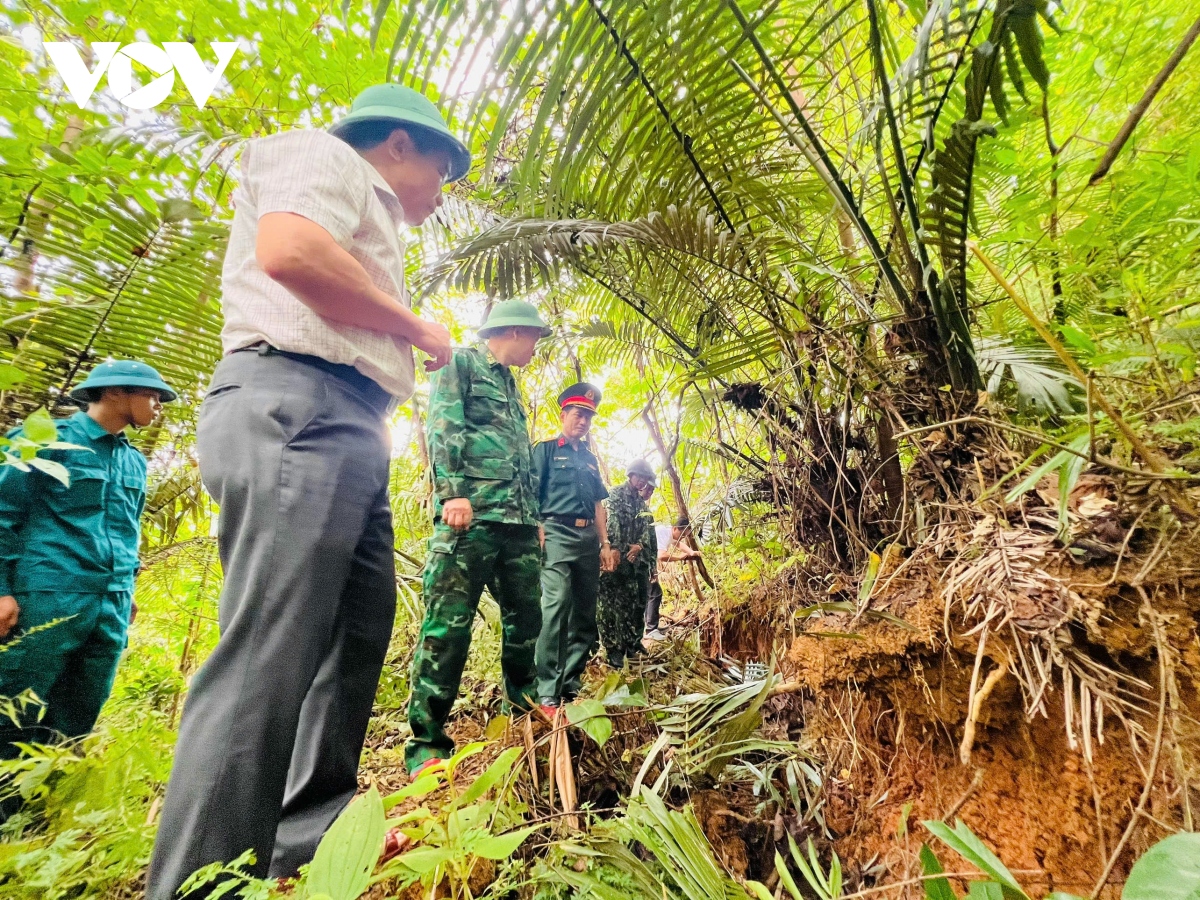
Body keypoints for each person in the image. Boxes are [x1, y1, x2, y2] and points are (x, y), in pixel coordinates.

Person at [148, 83, 466, 897]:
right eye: (442, 166)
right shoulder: (320, 153)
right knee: (271, 645)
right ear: (398, 144)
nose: (443, 188)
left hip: (349, 422)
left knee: (357, 627)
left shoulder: (375, 211)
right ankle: (200, 882)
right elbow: (289, 250)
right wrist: (415, 325)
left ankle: (309, 833)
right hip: (295, 403)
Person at [0, 360, 175, 756]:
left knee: (75, 720)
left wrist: (126, 591)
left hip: (109, 607)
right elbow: (3, 513)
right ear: (114, 392)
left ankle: (39, 815)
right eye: (152, 395)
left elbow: (127, 529)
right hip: (45, 597)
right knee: (14, 711)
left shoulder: (133, 460)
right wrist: (2, 591)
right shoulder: (43, 439)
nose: (158, 405)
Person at [405, 300, 550, 777]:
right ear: (512, 331)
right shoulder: (461, 362)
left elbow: (517, 456)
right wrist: (452, 493)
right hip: (470, 518)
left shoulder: (511, 385)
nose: (535, 347)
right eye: (534, 337)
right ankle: (427, 744)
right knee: (448, 628)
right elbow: (444, 424)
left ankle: (525, 710)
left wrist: (535, 516)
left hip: (518, 525)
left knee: (526, 621)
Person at [533, 384, 618, 713]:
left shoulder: (590, 460)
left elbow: (598, 504)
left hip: (587, 541)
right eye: (578, 414)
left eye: (588, 416)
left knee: (584, 611)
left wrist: (605, 543)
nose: (583, 420)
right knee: (555, 606)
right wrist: (537, 528)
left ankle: (570, 683)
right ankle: (547, 691)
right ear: (563, 415)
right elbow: (531, 491)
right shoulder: (546, 451)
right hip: (555, 533)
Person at [596, 459, 657, 668]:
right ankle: (612, 649)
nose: (641, 482)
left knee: (630, 605)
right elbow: (610, 524)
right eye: (639, 477)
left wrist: (638, 547)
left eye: (644, 479)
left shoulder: (641, 504)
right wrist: (619, 549)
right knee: (608, 606)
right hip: (612, 559)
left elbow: (644, 532)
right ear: (630, 475)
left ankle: (629, 645)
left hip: (631, 562)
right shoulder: (615, 494)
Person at [645, 516, 701, 640]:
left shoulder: (670, 533)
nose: (682, 538)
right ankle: (650, 629)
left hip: (647, 562)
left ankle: (651, 627)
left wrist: (691, 552)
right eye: (682, 534)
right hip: (644, 562)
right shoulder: (663, 531)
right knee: (654, 593)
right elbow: (662, 555)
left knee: (651, 593)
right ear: (675, 528)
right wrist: (679, 558)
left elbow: (678, 543)